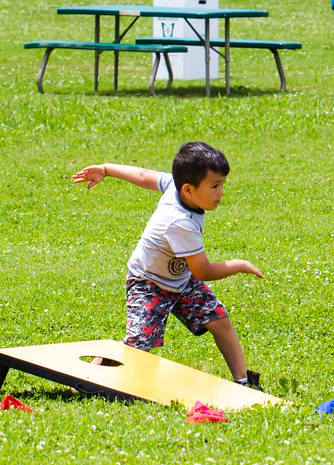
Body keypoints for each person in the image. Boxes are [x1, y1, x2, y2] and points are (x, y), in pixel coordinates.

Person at [70, 142, 264, 386]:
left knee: (219, 319)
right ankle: (93, 373)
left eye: (222, 184)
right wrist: (239, 264)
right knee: (139, 345)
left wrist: (107, 169)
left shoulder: (176, 188)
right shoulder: (180, 223)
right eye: (215, 186)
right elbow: (203, 270)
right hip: (148, 282)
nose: (221, 192)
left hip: (181, 280)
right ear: (189, 190)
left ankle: (243, 380)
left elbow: (143, 176)